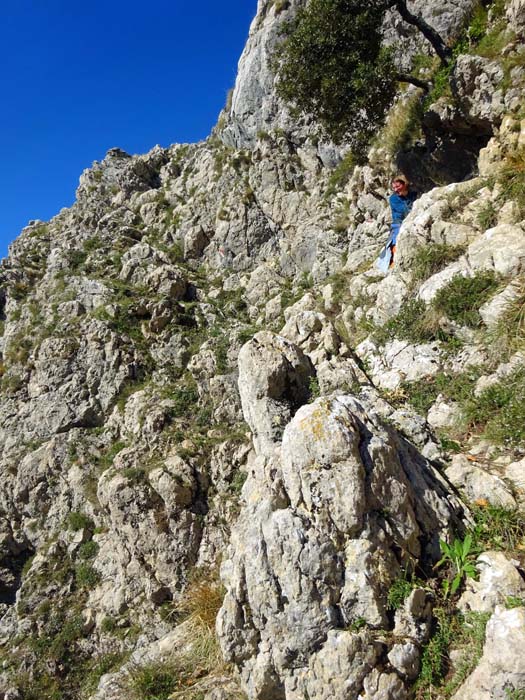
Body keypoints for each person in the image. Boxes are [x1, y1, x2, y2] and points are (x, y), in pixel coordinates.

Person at [388, 174, 417, 267]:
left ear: (405, 184)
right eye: (394, 188)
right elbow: (402, 211)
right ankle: (393, 262)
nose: (396, 190)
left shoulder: (413, 194)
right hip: (398, 222)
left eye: (398, 186)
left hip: (412, 219)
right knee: (395, 238)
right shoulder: (393, 199)